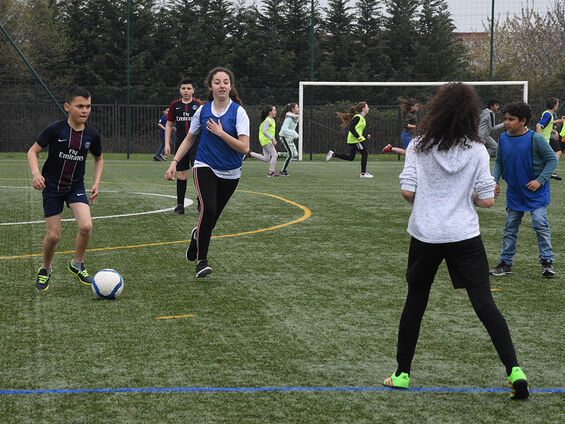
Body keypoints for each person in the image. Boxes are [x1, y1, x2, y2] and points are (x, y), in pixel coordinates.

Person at [383, 83, 529, 400]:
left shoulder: (418, 144)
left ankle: (402, 374)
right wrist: (472, 196)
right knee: (485, 304)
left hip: (425, 234)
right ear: (469, 115)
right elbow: (487, 201)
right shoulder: (477, 149)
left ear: (437, 109)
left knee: (415, 302)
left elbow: (408, 192)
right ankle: (515, 371)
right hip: (464, 235)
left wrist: (431, 203)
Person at [165, 67, 250, 278]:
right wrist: (175, 162)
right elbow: (189, 138)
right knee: (208, 209)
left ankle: (196, 236)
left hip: (231, 171)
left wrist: (221, 133)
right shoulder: (202, 111)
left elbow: (244, 148)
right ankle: (202, 261)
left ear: (231, 86)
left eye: (226, 82)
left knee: (211, 218)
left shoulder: (239, 112)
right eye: (217, 82)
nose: (222, 85)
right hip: (205, 165)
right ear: (210, 86)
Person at [27, 86, 104, 292]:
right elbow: (33, 151)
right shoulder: (56, 129)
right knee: (53, 236)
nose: (85, 110)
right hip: (51, 187)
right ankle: (45, 269)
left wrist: (96, 182)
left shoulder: (92, 135)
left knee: (86, 226)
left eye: (88, 106)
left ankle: (77, 264)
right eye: (80, 106)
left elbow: (98, 158)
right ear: (67, 107)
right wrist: (36, 173)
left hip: (75, 187)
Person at [489, 101, 558, 278]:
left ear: (523, 121)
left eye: (511, 119)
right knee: (510, 228)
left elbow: (553, 160)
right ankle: (505, 263)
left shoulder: (536, 139)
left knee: (540, 224)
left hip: (536, 193)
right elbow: (498, 162)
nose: (506, 123)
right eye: (505, 119)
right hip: (515, 193)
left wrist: (540, 180)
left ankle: (547, 262)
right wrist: (495, 180)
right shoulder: (503, 138)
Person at [164, 77, 203, 214]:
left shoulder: (199, 105)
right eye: (183, 88)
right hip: (181, 144)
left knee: (199, 173)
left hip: (197, 144)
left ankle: (201, 201)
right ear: (180, 90)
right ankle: (180, 205)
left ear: (193, 90)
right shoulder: (174, 105)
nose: (186, 91)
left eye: (189, 88)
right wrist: (167, 142)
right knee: (181, 174)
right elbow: (169, 124)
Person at [325, 101, 373, 178]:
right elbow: (351, 128)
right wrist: (357, 136)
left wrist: (365, 135)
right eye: (367, 107)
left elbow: (359, 129)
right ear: (363, 108)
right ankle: (363, 174)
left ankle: (333, 154)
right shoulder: (358, 117)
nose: (368, 108)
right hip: (355, 140)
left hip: (354, 140)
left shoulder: (362, 118)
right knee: (365, 153)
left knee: (351, 158)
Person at [244, 105, 280, 177]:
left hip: (266, 141)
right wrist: (272, 139)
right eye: (274, 110)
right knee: (275, 155)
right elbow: (264, 131)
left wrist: (272, 139)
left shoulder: (271, 120)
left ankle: (250, 153)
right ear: (270, 112)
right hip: (266, 140)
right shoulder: (267, 120)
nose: (276, 112)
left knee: (266, 159)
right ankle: (271, 172)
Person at [535, 97, 564, 180]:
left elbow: (546, 127)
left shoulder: (548, 114)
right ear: (555, 105)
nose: (558, 105)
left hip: (545, 141)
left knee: (545, 159)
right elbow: (539, 126)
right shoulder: (548, 114)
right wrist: (540, 139)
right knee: (553, 158)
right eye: (557, 103)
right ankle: (549, 174)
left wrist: (555, 132)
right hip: (543, 141)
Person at [278, 102, 300, 176]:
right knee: (291, 154)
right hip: (284, 136)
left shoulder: (295, 117)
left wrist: (293, 134)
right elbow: (284, 130)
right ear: (293, 109)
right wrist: (294, 133)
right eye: (297, 107)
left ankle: (277, 154)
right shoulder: (289, 118)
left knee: (295, 154)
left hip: (289, 137)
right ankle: (283, 171)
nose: (299, 108)